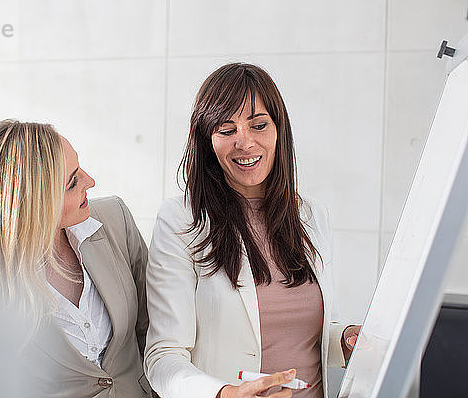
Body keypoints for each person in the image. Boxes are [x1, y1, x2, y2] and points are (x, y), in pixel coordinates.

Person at [144, 63, 361, 398]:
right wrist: (226, 394)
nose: (244, 143)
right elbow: (163, 358)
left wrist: (346, 340)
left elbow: (306, 337)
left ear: (278, 130)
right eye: (226, 130)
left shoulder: (312, 215)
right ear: (207, 141)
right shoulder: (181, 220)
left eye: (258, 125)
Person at [0, 120, 152, 398]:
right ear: (33, 204)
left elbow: (151, 327)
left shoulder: (115, 220)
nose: (90, 181)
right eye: (73, 182)